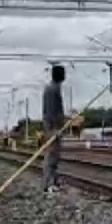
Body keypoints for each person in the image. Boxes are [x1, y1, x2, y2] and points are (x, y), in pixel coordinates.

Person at [41, 64, 67, 194]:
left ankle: (54, 182)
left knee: (55, 156)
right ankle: (47, 184)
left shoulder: (53, 88)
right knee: (51, 156)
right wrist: (54, 129)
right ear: (59, 75)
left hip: (54, 127)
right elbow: (51, 112)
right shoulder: (52, 90)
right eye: (63, 73)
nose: (65, 76)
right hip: (53, 128)